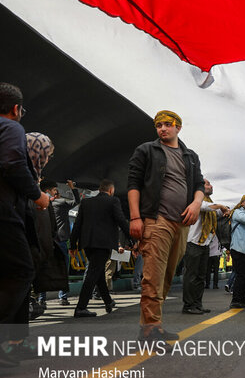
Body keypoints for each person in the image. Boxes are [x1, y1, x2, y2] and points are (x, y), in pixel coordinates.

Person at [127, 110, 205, 342]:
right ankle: (152, 329)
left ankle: (150, 328)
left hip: (181, 224)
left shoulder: (190, 156)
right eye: (158, 125)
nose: (162, 128)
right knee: (153, 276)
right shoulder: (147, 150)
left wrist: (196, 204)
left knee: (167, 276)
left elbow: (199, 183)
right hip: (156, 220)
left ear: (178, 127)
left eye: (167, 124)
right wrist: (135, 217)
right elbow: (133, 183)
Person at [0, 84, 50, 367]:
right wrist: (38, 194)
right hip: (4, 211)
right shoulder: (11, 128)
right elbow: (13, 164)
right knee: (21, 271)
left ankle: (13, 344)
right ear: (16, 109)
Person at [69, 179, 131, 317]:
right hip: (103, 244)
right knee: (93, 274)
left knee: (98, 273)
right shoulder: (113, 201)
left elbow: (78, 225)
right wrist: (133, 239)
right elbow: (121, 220)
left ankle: (108, 301)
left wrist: (73, 245)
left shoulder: (86, 202)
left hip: (88, 244)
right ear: (110, 190)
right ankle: (81, 307)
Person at [182, 178, 229, 314]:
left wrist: (223, 210)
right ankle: (188, 305)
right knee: (191, 275)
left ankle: (197, 304)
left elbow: (214, 212)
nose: (211, 186)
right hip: (193, 243)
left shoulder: (209, 203)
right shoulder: (194, 200)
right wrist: (220, 206)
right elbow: (204, 207)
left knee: (200, 276)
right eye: (207, 184)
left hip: (204, 244)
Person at [43, 178, 80, 305]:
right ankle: (62, 297)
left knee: (45, 269)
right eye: (54, 189)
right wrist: (72, 187)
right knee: (63, 268)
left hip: (46, 240)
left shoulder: (41, 204)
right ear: (50, 191)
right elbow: (77, 201)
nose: (56, 191)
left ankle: (41, 299)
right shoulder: (60, 202)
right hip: (61, 240)